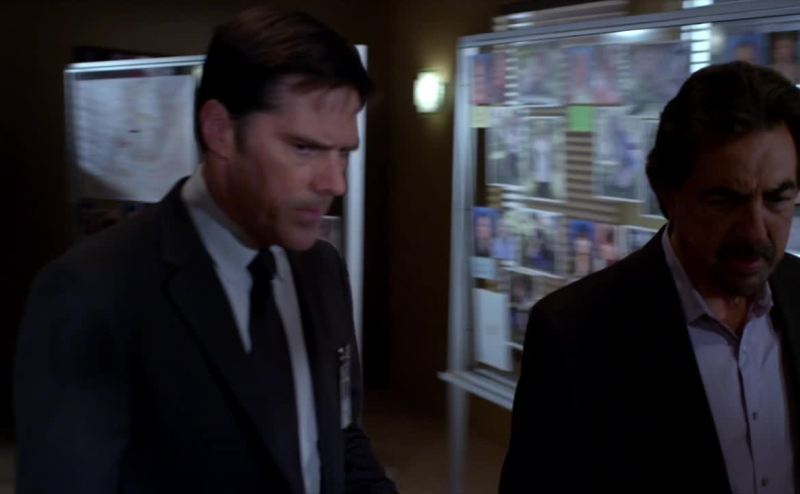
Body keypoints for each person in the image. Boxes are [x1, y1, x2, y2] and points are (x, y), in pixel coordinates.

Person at [15, 8, 396, 494]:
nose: (335, 183)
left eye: (343, 152)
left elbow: (341, 439)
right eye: (304, 148)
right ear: (220, 130)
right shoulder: (90, 293)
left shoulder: (323, 269)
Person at [501, 62, 800, 493]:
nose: (755, 231)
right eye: (724, 200)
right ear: (667, 195)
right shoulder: (573, 333)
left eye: (777, 199)